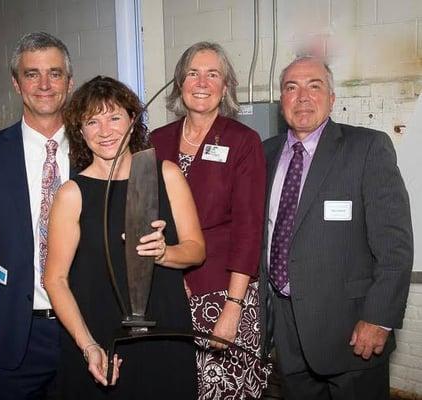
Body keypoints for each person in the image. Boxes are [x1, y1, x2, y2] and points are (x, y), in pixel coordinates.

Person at [43, 75, 205, 399]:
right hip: (99, 335)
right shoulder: (72, 194)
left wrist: (164, 253)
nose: (105, 131)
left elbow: (196, 250)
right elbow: (55, 280)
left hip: (165, 330)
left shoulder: (166, 174)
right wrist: (87, 344)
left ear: (132, 120)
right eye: (92, 121)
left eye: (115, 117)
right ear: (80, 131)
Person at [262, 55, 413, 400]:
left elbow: (395, 245)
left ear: (332, 98)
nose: (302, 96)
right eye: (291, 87)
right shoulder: (265, 153)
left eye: (314, 86)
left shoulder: (367, 148)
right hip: (287, 328)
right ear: (281, 100)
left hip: (352, 328)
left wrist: (379, 318)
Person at [0, 32, 74, 399]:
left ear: (69, 82)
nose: (44, 85)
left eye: (54, 73)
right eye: (31, 73)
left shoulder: (96, 152)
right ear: (16, 83)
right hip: (11, 335)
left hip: (84, 333)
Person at [151, 42, 270, 399]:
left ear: (225, 86)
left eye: (212, 74)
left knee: (225, 390)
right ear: (179, 83)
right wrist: (171, 271)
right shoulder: (156, 140)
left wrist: (233, 309)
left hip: (223, 291)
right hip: (168, 290)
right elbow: (147, 215)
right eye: (193, 73)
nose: (201, 82)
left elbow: (249, 228)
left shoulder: (243, 141)